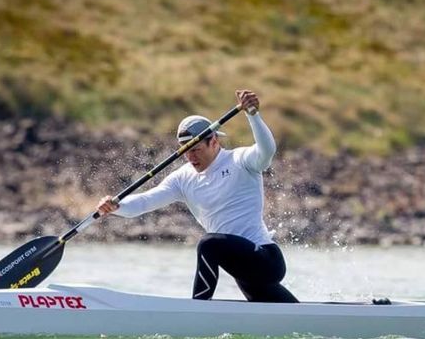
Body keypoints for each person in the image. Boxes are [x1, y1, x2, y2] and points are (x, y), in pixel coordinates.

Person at [97, 90, 299, 303]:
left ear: (214, 142)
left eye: (196, 149)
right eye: (185, 150)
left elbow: (267, 150)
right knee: (294, 317)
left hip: (265, 259)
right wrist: (116, 206)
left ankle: (199, 306)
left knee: (208, 243)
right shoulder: (183, 178)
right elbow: (144, 202)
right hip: (242, 270)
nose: (190, 156)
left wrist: (253, 115)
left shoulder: (241, 161)